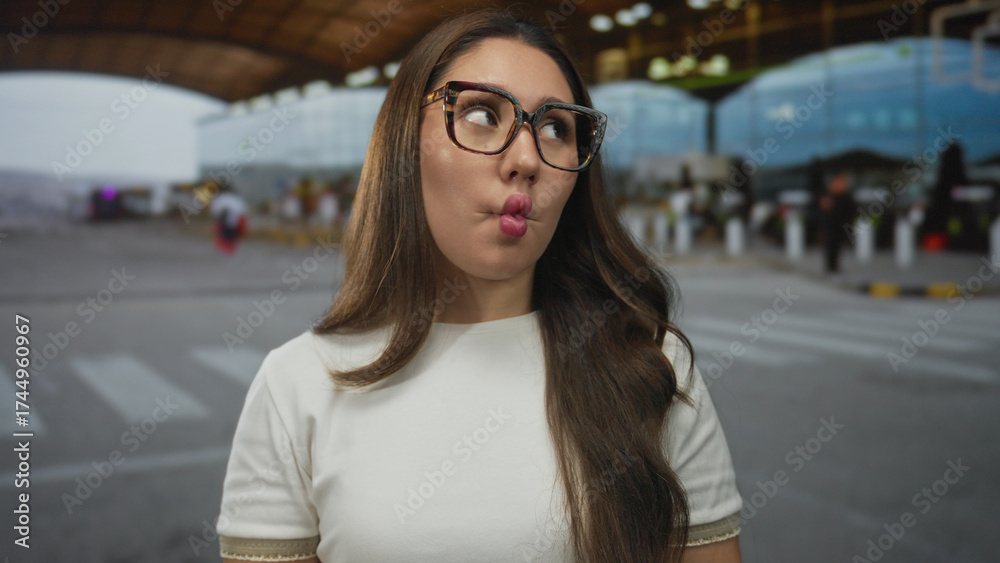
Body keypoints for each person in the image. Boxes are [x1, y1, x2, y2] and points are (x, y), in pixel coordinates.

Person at [217, 9, 742, 563]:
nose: (525, 159)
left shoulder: (651, 368)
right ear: (404, 144)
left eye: (555, 127)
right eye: (482, 114)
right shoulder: (297, 385)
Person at [820, 171, 854, 274]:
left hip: (841, 224)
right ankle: (831, 266)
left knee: (837, 246)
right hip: (831, 225)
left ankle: (834, 266)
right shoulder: (830, 196)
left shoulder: (846, 197)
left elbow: (851, 210)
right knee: (831, 245)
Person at [209, 183, 248, 255]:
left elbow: (215, 212)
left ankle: (224, 249)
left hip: (227, 220)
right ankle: (227, 249)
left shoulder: (220, 198)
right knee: (229, 236)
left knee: (226, 236)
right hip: (232, 220)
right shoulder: (235, 199)